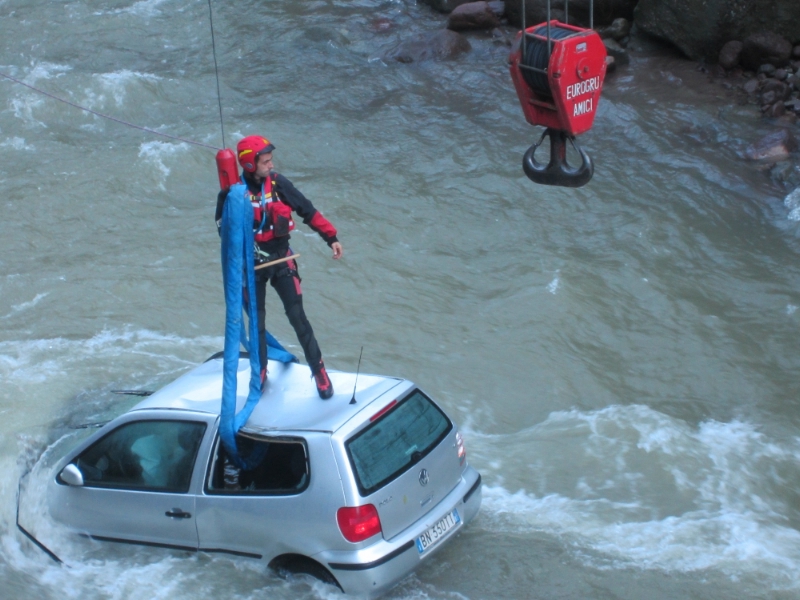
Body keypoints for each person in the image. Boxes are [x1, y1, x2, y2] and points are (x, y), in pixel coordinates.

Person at [215, 135, 343, 399]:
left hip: (282, 260)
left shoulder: (278, 184)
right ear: (249, 164)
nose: (271, 165)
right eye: (265, 162)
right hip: (252, 266)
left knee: (298, 318)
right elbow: (222, 229)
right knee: (257, 323)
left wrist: (331, 237)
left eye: (270, 160)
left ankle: (319, 370)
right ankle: (261, 370)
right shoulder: (233, 192)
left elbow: (307, 210)